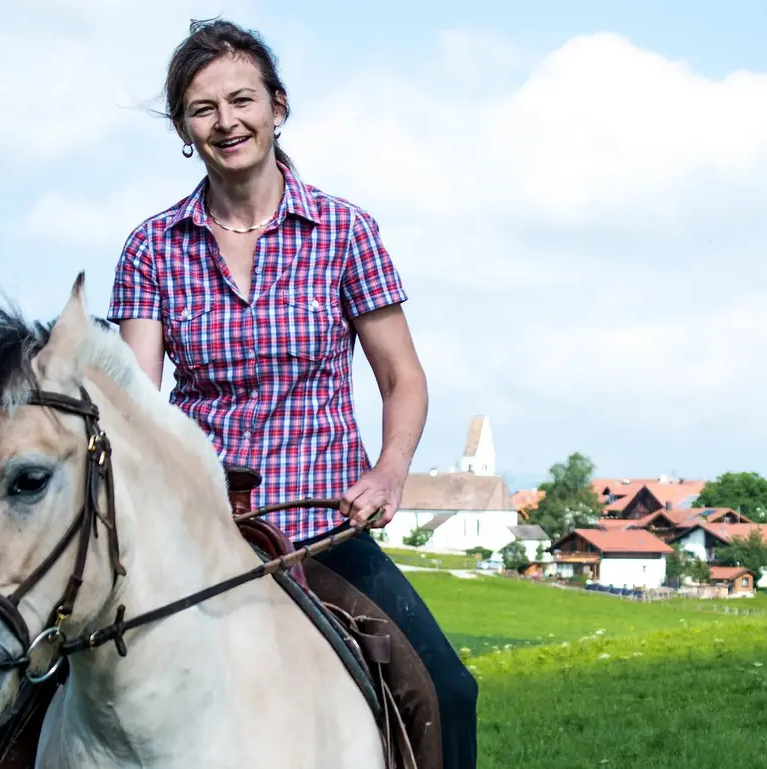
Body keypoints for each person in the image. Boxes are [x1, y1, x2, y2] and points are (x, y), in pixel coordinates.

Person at [105, 17, 479, 769]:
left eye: (242, 99)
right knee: (30, 687)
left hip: (322, 526)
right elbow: (136, 405)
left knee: (445, 689)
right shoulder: (151, 246)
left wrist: (389, 469)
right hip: (196, 530)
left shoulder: (345, 231)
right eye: (203, 109)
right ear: (185, 128)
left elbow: (402, 377)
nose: (226, 121)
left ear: (278, 107)